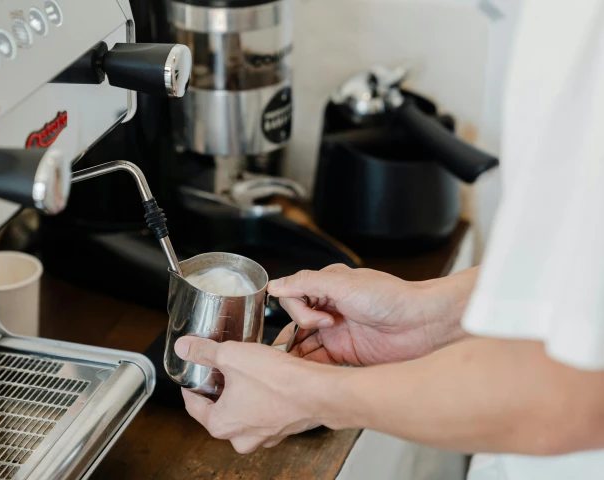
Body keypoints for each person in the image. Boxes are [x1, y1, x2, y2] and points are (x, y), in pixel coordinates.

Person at [175, 1, 604, 479]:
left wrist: (312, 395)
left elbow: (572, 397)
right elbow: (583, 277)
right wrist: (429, 314)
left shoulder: (584, 33)